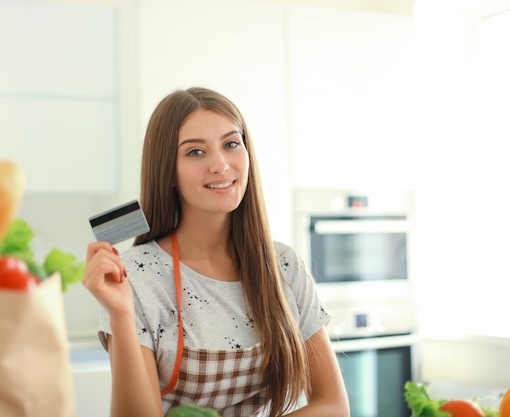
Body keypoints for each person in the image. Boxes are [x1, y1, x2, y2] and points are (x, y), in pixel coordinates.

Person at [82, 87, 350, 417]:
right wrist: (121, 316)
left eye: (231, 144)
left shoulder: (283, 266)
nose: (221, 165)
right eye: (195, 152)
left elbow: (334, 407)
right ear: (168, 172)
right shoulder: (133, 276)